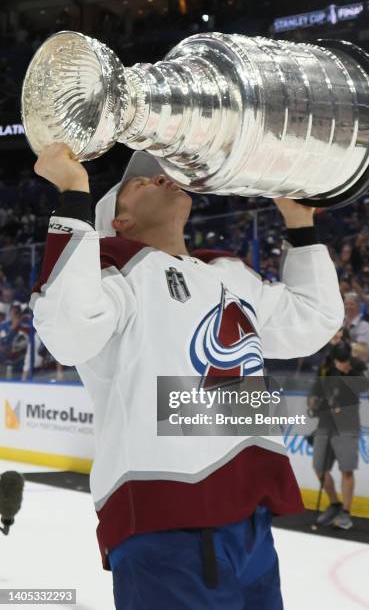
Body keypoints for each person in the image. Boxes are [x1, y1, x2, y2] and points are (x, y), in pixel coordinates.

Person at [31, 142, 344, 610]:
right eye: (139, 182)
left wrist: (300, 225)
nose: (160, 178)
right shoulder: (116, 281)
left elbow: (313, 320)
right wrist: (74, 194)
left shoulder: (230, 276)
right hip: (166, 522)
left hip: (250, 519)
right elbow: (68, 331)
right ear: (119, 223)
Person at [308, 340, 369, 530]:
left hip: (347, 425)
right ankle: (334, 504)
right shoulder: (326, 367)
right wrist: (313, 401)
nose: (341, 361)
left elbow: (364, 386)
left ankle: (346, 513)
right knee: (319, 467)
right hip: (325, 424)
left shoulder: (357, 365)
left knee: (347, 469)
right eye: (338, 359)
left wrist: (347, 372)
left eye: (344, 358)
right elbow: (316, 389)